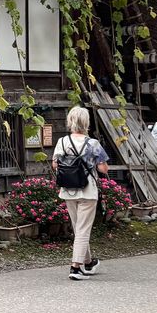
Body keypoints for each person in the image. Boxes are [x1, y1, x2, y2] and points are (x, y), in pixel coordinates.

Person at [51, 106, 109, 281]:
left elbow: (55, 165)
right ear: (86, 123)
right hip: (87, 190)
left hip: (68, 190)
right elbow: (102, 168)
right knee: (83, 230)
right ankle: (75, 268)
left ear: (70, 121)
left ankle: (89, 262)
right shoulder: (92, 144)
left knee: (79, 228)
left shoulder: (62, 142)